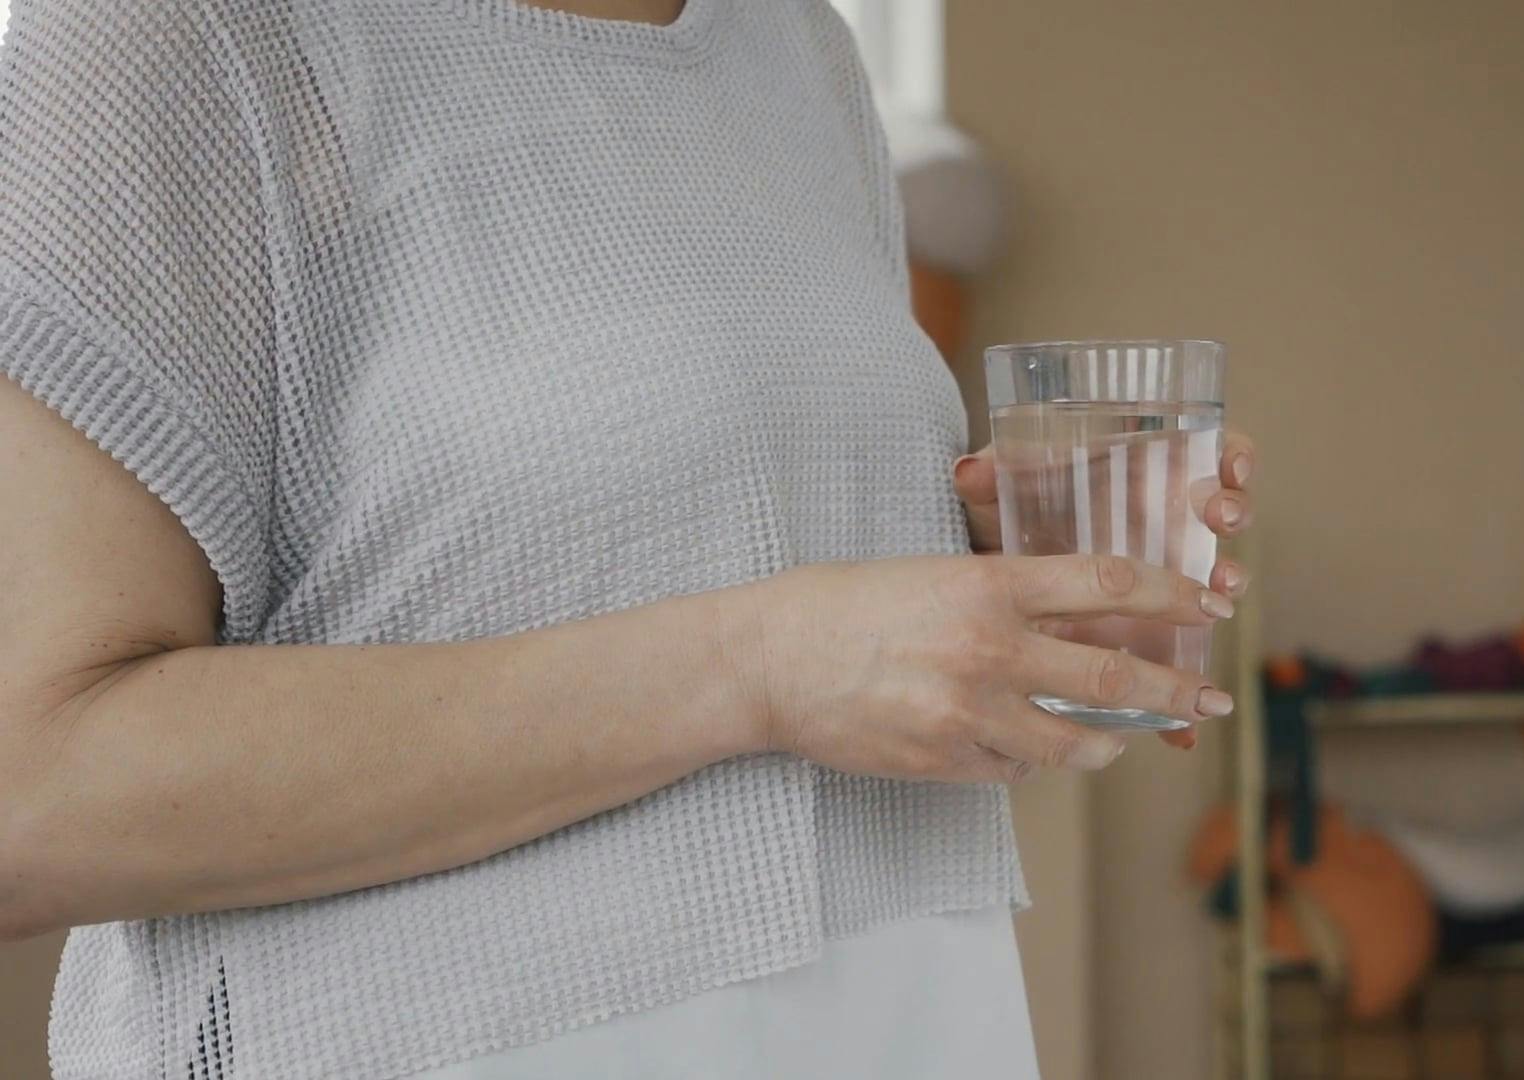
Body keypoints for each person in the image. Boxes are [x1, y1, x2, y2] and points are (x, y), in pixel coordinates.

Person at [0, 1, 1256, 1077]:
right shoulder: (178, 37)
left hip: (914, 1016)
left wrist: (979, 567)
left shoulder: (789, 44)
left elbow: (657, 545)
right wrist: (757, 666)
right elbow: (31, 801)